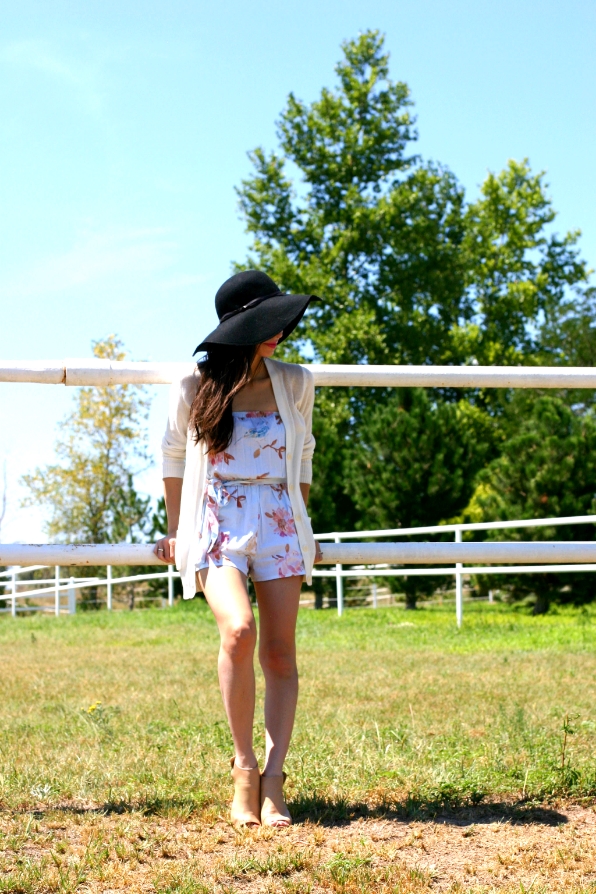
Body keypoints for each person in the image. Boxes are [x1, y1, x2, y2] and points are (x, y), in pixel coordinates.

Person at [154, 270, 322, 828]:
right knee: (239, 631)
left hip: (280, 519)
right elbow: (173, 456)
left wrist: (301, 523)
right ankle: (243, 768)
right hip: (216, 520)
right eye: (265, 324)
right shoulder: (194, 385)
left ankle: (274, 780)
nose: (278, 334)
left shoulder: (295, 381)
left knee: (279, 653)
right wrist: (175, 528)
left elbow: (303, 455)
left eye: (280, 323)